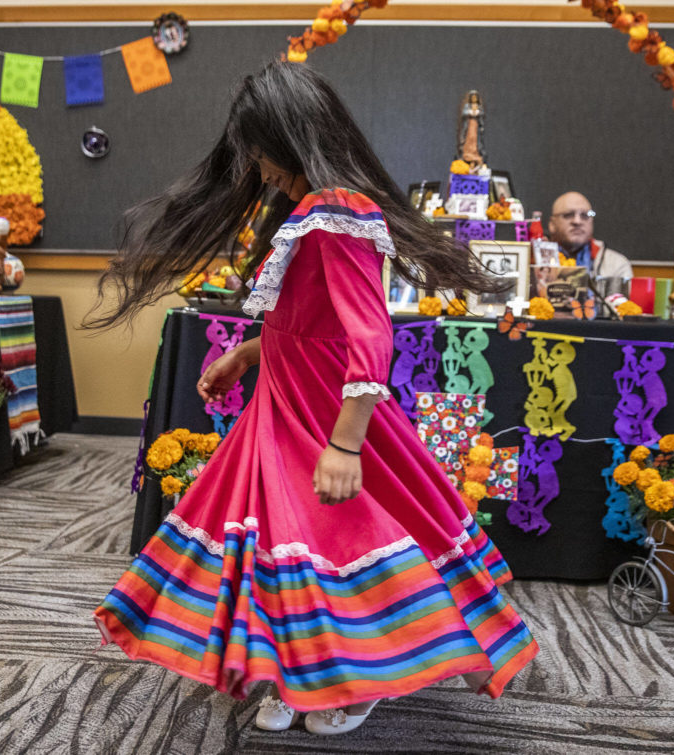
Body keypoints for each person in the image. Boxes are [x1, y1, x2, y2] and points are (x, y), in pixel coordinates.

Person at [87, 61, 537, 736]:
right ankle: (300, 673)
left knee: (329, 540)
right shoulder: (309, 214)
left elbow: (368, 333)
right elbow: (304, 321)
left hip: (325, 416)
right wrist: (248, 353)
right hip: (283, 406)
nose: (257, 167)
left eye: (260, 151)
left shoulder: (338, 216)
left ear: (291, 139)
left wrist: (345, 442)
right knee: (279, 544)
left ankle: (354, 681)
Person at [546, 192, 632, 280]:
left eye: (585, 215)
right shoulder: (534, 259)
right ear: (552, 224)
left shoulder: (616, 265)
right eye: (568, 215)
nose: (577, 221)